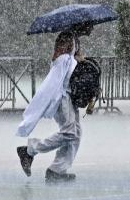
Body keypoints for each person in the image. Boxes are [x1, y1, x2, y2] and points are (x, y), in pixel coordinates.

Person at [16, 31, 82, 182]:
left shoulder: (67, 59)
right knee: (70, 133)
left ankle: (57, 169)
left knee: (75, 134)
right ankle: (30, 149)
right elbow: (59, 82)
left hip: (68, 100)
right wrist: (79, 62)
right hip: (63, 100)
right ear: (69, 45)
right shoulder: (64, 60)